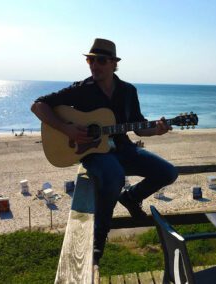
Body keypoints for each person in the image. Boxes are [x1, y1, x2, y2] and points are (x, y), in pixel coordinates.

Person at [31, 38, 178, 264]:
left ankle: (131, 198)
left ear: (113, 63)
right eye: (90, 60)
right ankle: (99, 237)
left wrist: (157, 131)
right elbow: (38, 105)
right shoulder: (81, 89)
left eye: (100, 60)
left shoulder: (128, 91)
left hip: (124, 150)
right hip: (94, 154)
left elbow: (138, 126)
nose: (94, 65)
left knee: (168, 172)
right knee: (113, 175)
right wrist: (66, 129)